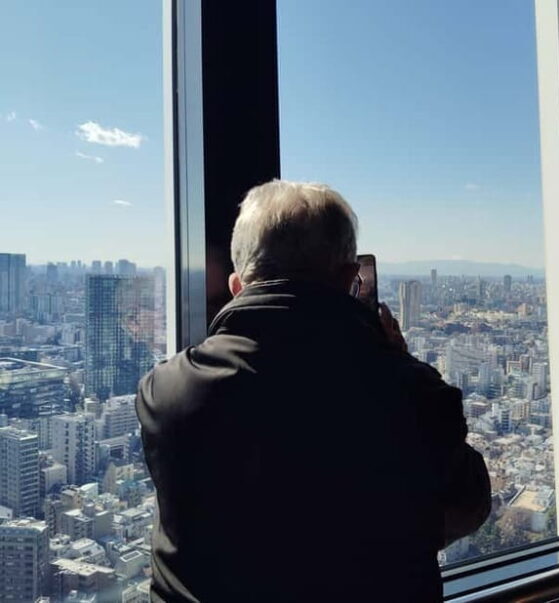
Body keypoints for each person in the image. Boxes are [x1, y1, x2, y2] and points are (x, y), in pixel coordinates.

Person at [136, 180, 491, 602]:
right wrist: (398, 361)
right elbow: (466, 505)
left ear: (236, 286)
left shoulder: (166, 392)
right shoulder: (409, 393)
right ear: (351, 279)